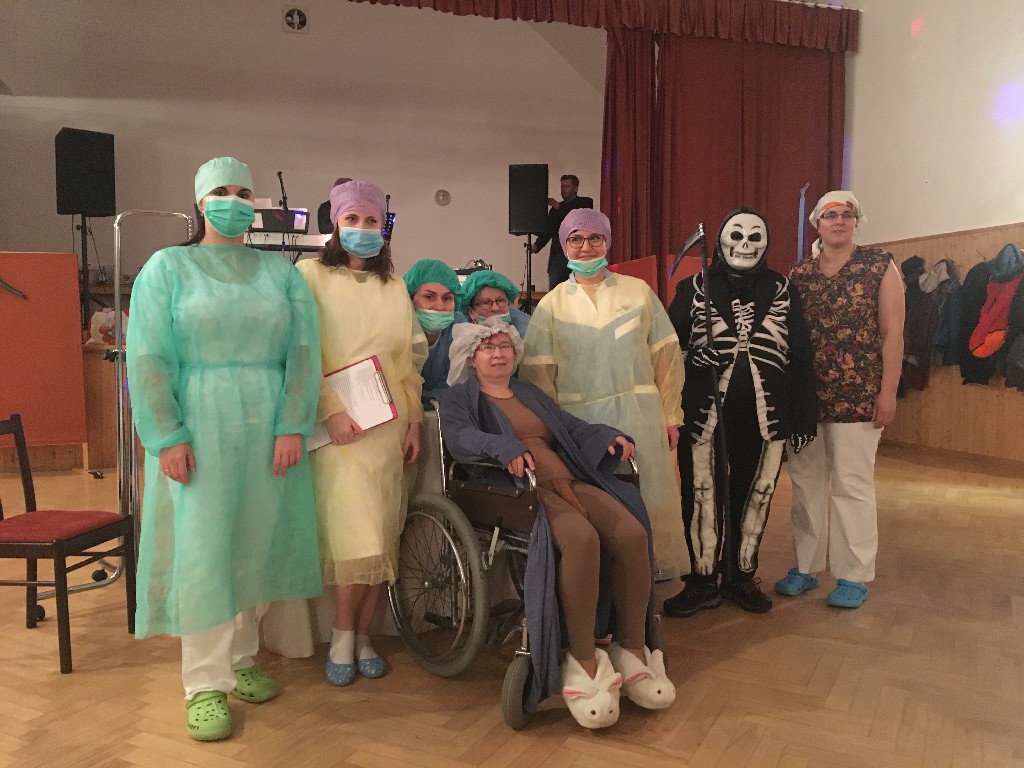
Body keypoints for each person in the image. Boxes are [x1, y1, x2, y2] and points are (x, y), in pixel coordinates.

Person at [126, 157, 322, 741]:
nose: (233, 202)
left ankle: (239, 660)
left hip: (268, 424)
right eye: (220, 191)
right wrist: (167, 435)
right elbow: (148, 356)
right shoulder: (168, 267)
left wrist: (293, 424)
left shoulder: (280, 274)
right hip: (200, 423)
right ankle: (204, 683)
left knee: (256, 542)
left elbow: (303, 352)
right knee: (206, 549)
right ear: (199, 201)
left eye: (242, 193)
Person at [442, 319, 675, 729]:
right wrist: (502, 445)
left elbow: (568, 427)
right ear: (470, 357)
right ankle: (583, 659)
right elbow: (460, 438)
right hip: (515, 489)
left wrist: (605, 436)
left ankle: (632, 649)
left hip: (566, 478)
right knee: (581, 539)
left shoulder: (529, 392)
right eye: (487, 348)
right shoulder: (460, 398)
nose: (498, 354)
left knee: (631, 533)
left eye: (504, 346)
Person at [296, 179, 428, 684]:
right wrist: (329, 409)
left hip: (384, 428)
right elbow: (302, 349)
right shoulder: (309, 276)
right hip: (338, 432)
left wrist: (413, 421)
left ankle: (365, 635)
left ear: (384, 227)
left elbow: (407, 362)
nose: (362, 229)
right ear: (335, 224)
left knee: (381, 537)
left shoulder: (394, 288)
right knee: (354, 537)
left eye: (372, 220)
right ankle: (341, 636)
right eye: (352, 219)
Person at [664, 208, 818, 618]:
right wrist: (694, 357)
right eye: (736, 236)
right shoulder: (694, 286)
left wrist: (803, 416)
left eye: (755, 237)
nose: (745, 245)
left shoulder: (781, 288)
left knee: (756, 494)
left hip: (765, 417)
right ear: (719, 241)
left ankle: (740, 575)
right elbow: (666, 347)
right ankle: (701, 580)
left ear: (766, 244)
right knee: (700, 494)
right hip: (704, 414)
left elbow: (801, 355)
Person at [520, 208, 689, 582]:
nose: (586, 247)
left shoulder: (637, 292)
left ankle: (649, 577)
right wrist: (552, 432)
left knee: (650, 494)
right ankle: (605, 584)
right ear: (564, 245)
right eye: (576, 239)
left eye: (594, 238)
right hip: (582, 424)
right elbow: (538, 376)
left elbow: (665, 354)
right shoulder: (552, 305)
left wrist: (670, 415)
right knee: (600, 503)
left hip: (640, 415)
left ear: (607, 242)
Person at [775, 191, 905, 609]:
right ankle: (806, 566)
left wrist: (888, 392)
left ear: (856, 221)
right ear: (817, 222)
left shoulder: (879, 266)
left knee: (852, 484)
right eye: (831, 215)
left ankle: (853, 575)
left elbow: (893, 333)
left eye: (847, 214)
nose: (839, 221)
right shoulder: (799, 274)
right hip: (806, 398)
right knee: (806, 483)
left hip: (858, 396)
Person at [403, 258, 465, 406]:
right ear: (410, 299)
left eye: (447, 298)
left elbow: (458, 384)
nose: (439, 306)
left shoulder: (460, 330)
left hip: (445, 409)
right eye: (429, 297)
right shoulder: (398, 329)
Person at [529, 174, 594, 289]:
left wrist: (558, 207)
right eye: (561, 186)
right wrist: (537, 245)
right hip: (558, 257)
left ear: (575, 188)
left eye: (566, 186)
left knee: (579, 290)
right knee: (556, 290)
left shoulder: (585, 203)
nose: (563, 190)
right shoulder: (555, 210)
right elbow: (549, 230)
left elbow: (575, 220)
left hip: (578, 256)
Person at [458, 268, 530, 340]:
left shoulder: (525, 331)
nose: (495, 308)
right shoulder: (461, 333)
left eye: (501, 300)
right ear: (471, 312)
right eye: (486, 303)